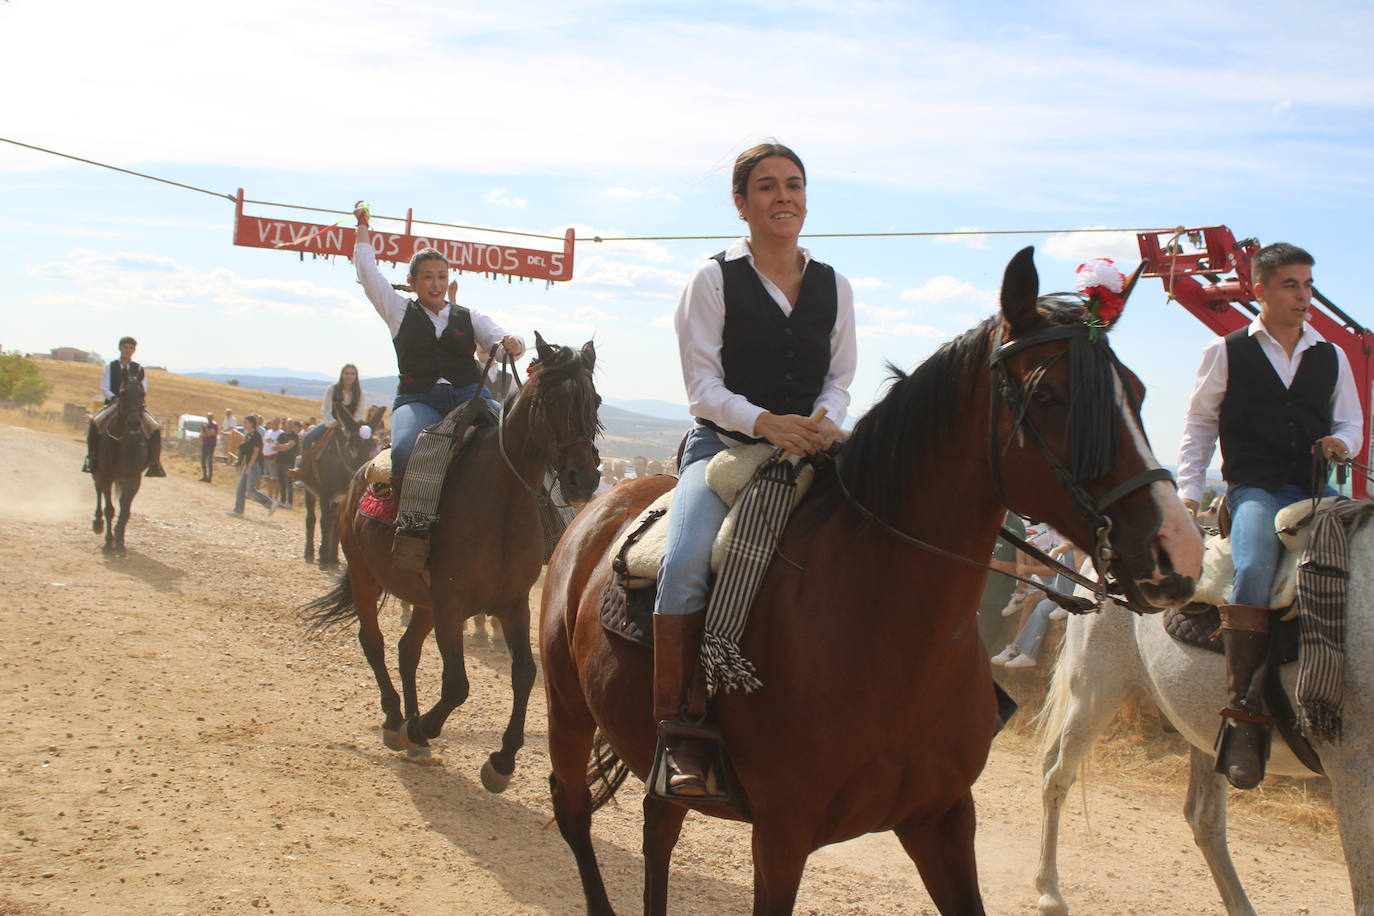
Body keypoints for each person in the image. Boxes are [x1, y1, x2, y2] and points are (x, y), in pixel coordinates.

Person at [652, 142, 857, 797]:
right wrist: (768, 422)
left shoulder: (835, 284)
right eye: (766, 187)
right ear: (740, 204)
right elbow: (702, 387)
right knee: (683, 562)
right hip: (723, 451)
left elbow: (840, 378)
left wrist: (823, 417)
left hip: (811, 451)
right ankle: (680, 732)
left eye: (793, 185)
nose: (783, 197)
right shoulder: (712, 279)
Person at [1176, 242, 1362, 790]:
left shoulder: (1331, 354)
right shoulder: (1224, 351)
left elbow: (1350, 424)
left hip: (1315, 492)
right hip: (1254, 489)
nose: (1304, 296)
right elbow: (1198, 428)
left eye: (1308, 285)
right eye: (1291, 285)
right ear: (1260, 290)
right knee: (1254, 571)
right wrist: (1190, 494)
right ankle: (1243, 718)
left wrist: (1340, 443)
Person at [351, 204, 524, 496]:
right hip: (418, 398)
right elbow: (367, 272)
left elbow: (504, 343)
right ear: (412, 281)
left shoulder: (469, 316)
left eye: (442, 276)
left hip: (471, 397)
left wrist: (514, 342)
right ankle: (408, 523)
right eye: (428, 276)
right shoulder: (397, 310)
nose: (436, 284)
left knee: (516, 440)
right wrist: (363, 225)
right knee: (406, 450)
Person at [83, 336, 166, 477]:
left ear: (134, 350)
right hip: (113, 403)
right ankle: (92, 458)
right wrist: (114, 397)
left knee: (155, 427)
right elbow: (104, 387)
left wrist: (136, 400)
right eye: (125, 347)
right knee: (95, 422)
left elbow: (143, 388)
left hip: (133, 406)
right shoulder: (111, 367)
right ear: (120, 348)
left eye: (131, 348)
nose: (128, 350)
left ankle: (154, 463)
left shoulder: (139, 368)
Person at [301, 364, 367, 452]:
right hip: (332, 423)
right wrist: (332, 421)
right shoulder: (332, 389)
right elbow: (325, 408)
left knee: (367, 444)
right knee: (308, 438)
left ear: (356, 376)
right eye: (346, 373)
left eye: (352, 374)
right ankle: (304, 464)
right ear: (342, 375)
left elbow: (360, 413)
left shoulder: (360, 393)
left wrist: (351, 424)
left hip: (352, 426)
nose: (349, 376)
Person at [229, 415, 276, 517]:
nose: (244, 424)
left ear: (251, 423)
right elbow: (246, 453)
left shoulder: (256, 436)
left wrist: (250, 466)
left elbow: (256, 451)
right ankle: (238, 510)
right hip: (248, 464)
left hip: (254, 465)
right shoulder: (248, 435)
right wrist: (243, 465)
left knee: (250, 490)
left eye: (246, 422)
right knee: (241, 488)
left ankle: (270, 503)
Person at [273, 419, 300, 507]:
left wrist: (279, 447)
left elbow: (288, 447)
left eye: (291, 424)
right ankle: (282, 500)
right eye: (288, 424)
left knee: (288, 482)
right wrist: (282, 446)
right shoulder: (281, 435)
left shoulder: (294, 436)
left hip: (289, 462)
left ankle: (290, 503)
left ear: (293, 425)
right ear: (285, 425)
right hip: (279, 461)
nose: (289, 425)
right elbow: (274, 446)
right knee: (281, 482)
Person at [260, 417, 281, 502]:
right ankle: (269, 496)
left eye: (276, 422)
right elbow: (264, 443)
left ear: (278, 423)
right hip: (265, 457)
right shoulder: (267, 432)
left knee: (275, 479)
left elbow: (280, 447)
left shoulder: (280, 433)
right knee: (268, 478)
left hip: (273, 458)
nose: (274, 424)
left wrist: (276, 459)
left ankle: (275, 497)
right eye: (273, 422)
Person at [199, 412, 219, 482]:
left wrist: (206, 429)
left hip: (211, 445)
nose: (209, 418)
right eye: (208, 417)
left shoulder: (214, 426)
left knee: (209, 462)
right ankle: (204, 476)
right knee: (203, 461)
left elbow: (211, 434)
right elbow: (202, 435)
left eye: (210, 417)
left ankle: (209, 478)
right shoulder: (204, 425)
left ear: (212, 418)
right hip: (205, 444)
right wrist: (207, 433)